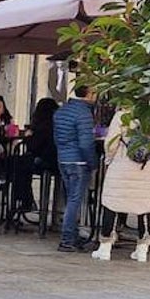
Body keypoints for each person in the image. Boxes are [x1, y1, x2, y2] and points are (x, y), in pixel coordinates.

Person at [91, 108, 150, 262]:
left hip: (121, 166)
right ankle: (142, 250)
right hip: (144, 169)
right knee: (143, 207)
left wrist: (108, 159)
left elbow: (111, 143)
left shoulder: (122, 115)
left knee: (112, 204)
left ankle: (105, 248)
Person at [53, 85, 98, 252]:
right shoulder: (84, 114)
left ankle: (71, 234)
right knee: (74, 200)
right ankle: (67, 239)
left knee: (70, 199)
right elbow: (86, 143)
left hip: (63, 159)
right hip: (79, 162)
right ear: (89, 94)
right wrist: (93, 163)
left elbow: (56, 138)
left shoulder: (62, 111)